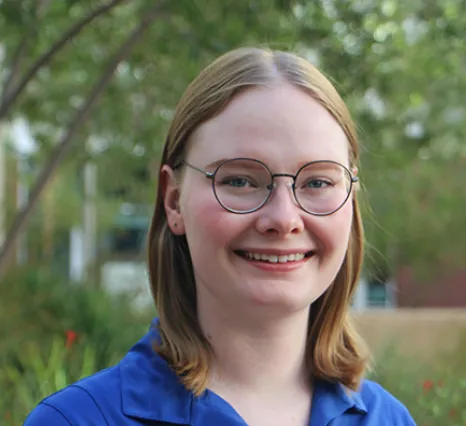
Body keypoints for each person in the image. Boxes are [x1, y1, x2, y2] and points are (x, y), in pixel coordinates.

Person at [24, 47, 416, 426]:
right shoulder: (79, 421)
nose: (283, 219)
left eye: (317, 182)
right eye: (240, 180)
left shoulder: (389, 421)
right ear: (174, 201)